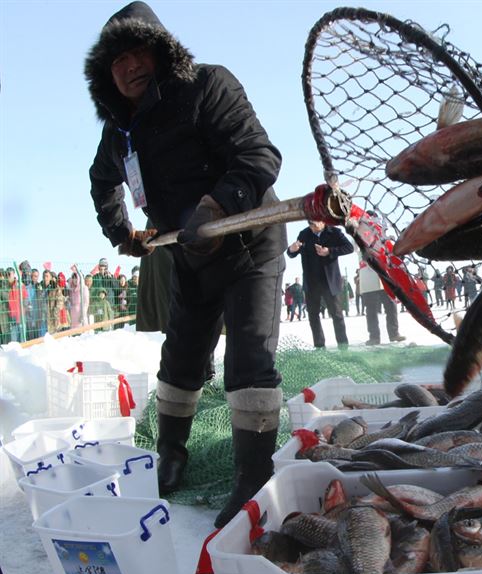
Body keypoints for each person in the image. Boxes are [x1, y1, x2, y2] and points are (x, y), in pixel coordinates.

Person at [86, 1, 288, 527]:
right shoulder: (119, 132)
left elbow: (260, 156)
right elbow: (102, 182)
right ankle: (172, 453)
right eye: (117, 61)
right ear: (106, 74)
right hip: (187, 252)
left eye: (138, 53)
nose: (130, 67)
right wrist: (122, 232)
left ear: (161, 52)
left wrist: (216, 204)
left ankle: (253, 473)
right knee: (181, 356)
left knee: (248, 360)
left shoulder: (208, 85)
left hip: (248, 239)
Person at [286, 220, 353, 348]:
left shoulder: (334, 232)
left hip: (330, 281)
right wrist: (291, 249)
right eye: (310, 224)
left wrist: (329, 251)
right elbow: (291, 254)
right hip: (311, 282)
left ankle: (343, 347)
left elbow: (349, 248)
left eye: (315, 224)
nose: (312, 227)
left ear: (322, 221)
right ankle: (319, 346)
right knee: (313, 316)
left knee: (337, 315)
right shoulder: (304, 234)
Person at [359, 254, 406, 345]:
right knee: (371, 311)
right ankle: (374, 337)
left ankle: (394, 334)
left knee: (391, 306)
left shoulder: (383, 239)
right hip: (369, 277)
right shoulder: (358, 240)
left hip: (385, 275)